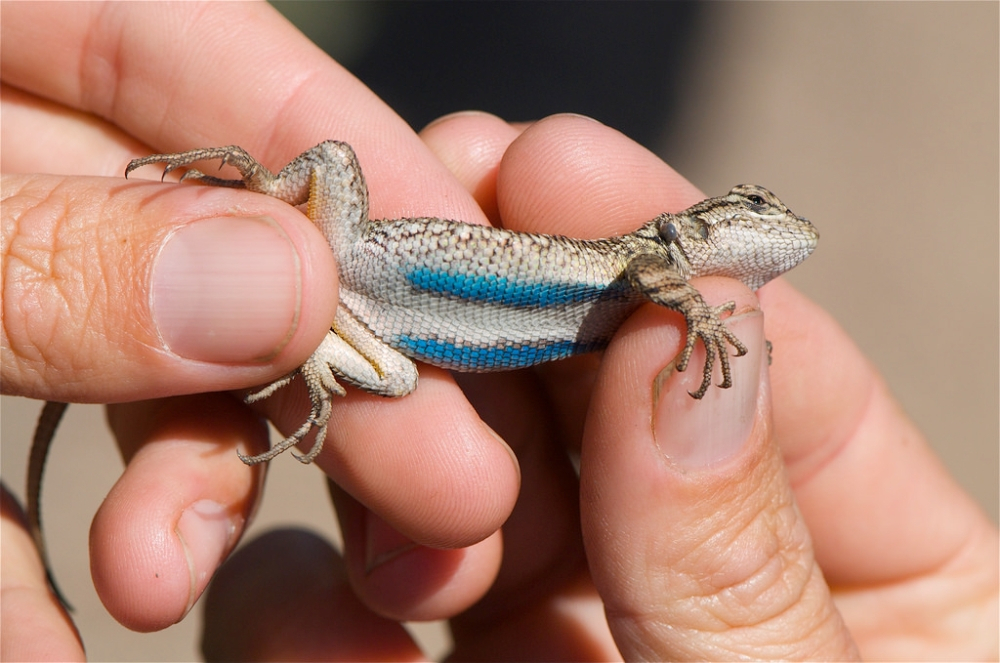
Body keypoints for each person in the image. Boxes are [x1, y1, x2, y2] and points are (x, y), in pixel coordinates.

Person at [2, 3, 996, 661]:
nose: (778, 235)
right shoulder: (656, 262)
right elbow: (657, 271)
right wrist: (692, 302)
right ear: (708, 222)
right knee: (335, 162)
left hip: (393, 327)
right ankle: (259, 201)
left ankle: (299, 352)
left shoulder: (646, 302)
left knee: (391, 390)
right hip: (378, 259)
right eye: (758, 215)